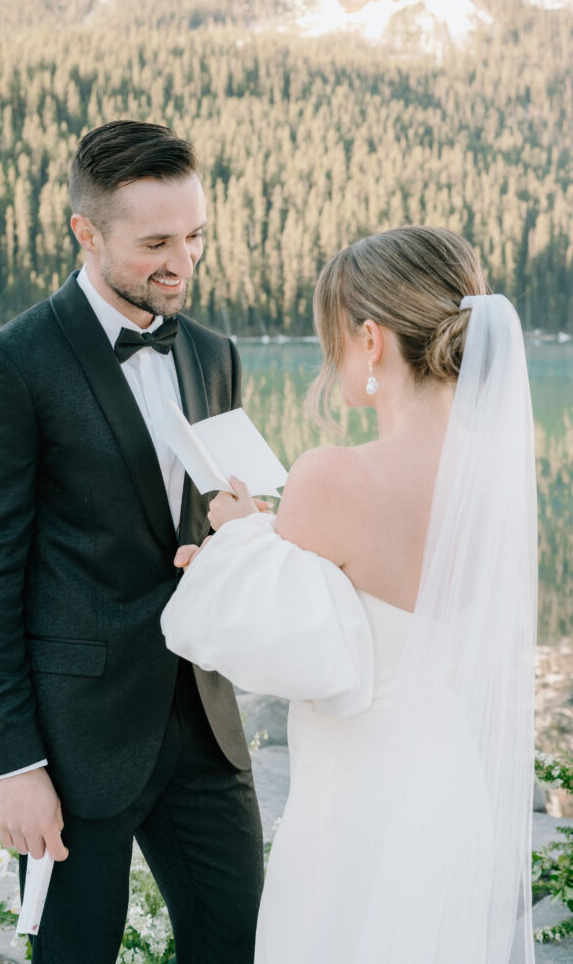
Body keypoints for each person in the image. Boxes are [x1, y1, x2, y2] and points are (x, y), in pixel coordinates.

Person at [162, 225, 538, 963]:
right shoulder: (494, 477)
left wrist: (237, 539)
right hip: (451, 783)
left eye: (331, 334)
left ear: (370, 339)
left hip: (359, 792)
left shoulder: (334, 474)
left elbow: (276, 647)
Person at [0, 119, 264, 964]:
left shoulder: (213, 354)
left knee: (236, 943)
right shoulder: (7, 366)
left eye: (195, 236)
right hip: (74, 741)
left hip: (204, 723)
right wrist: (13, 766)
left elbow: (209, 530)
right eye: (155, 241)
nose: (182, 261)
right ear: (85, 231)